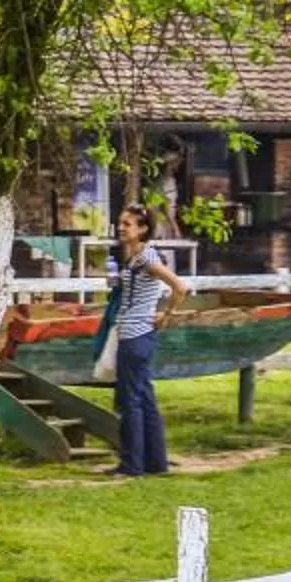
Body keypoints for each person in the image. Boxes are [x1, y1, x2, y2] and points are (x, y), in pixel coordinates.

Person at [109, 203, 184, 477]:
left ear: (142, 229)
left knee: (131, 401)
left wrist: (167, 315)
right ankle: (156, 461)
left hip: (135, 334)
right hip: (137, 333)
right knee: (145, 398)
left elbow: (179, 286)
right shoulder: (137, 256)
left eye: (127, 224)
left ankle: (132, 464)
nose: (121, 228)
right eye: (121, 222)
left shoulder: (145, 258)